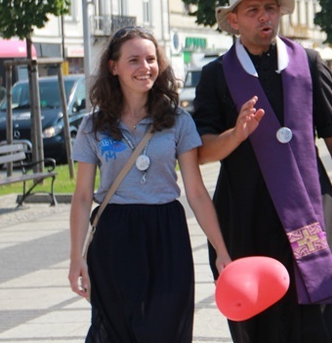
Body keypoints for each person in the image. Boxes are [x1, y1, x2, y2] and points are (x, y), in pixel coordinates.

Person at [193, 0, 332, 342]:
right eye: (253, 10)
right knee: (264, 316)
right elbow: (202, 152)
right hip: (247, 213)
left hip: (311, 205)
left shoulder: (308, 63)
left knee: (327, 307)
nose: (265, 17)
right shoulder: (215, 76)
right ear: (233, 20)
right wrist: (236, 134)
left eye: (271, 8)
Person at [68, 27, 231, 342]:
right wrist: (76, 258)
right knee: (116, 332)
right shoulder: (93, 125)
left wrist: (221, 250)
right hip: (113, 234)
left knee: (166, 329)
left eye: (151, 59)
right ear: (113, 67)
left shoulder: (178, 120)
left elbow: (196, 193)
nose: (145, 67)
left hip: (166, 233)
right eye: (134, 60)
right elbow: (82, 196)